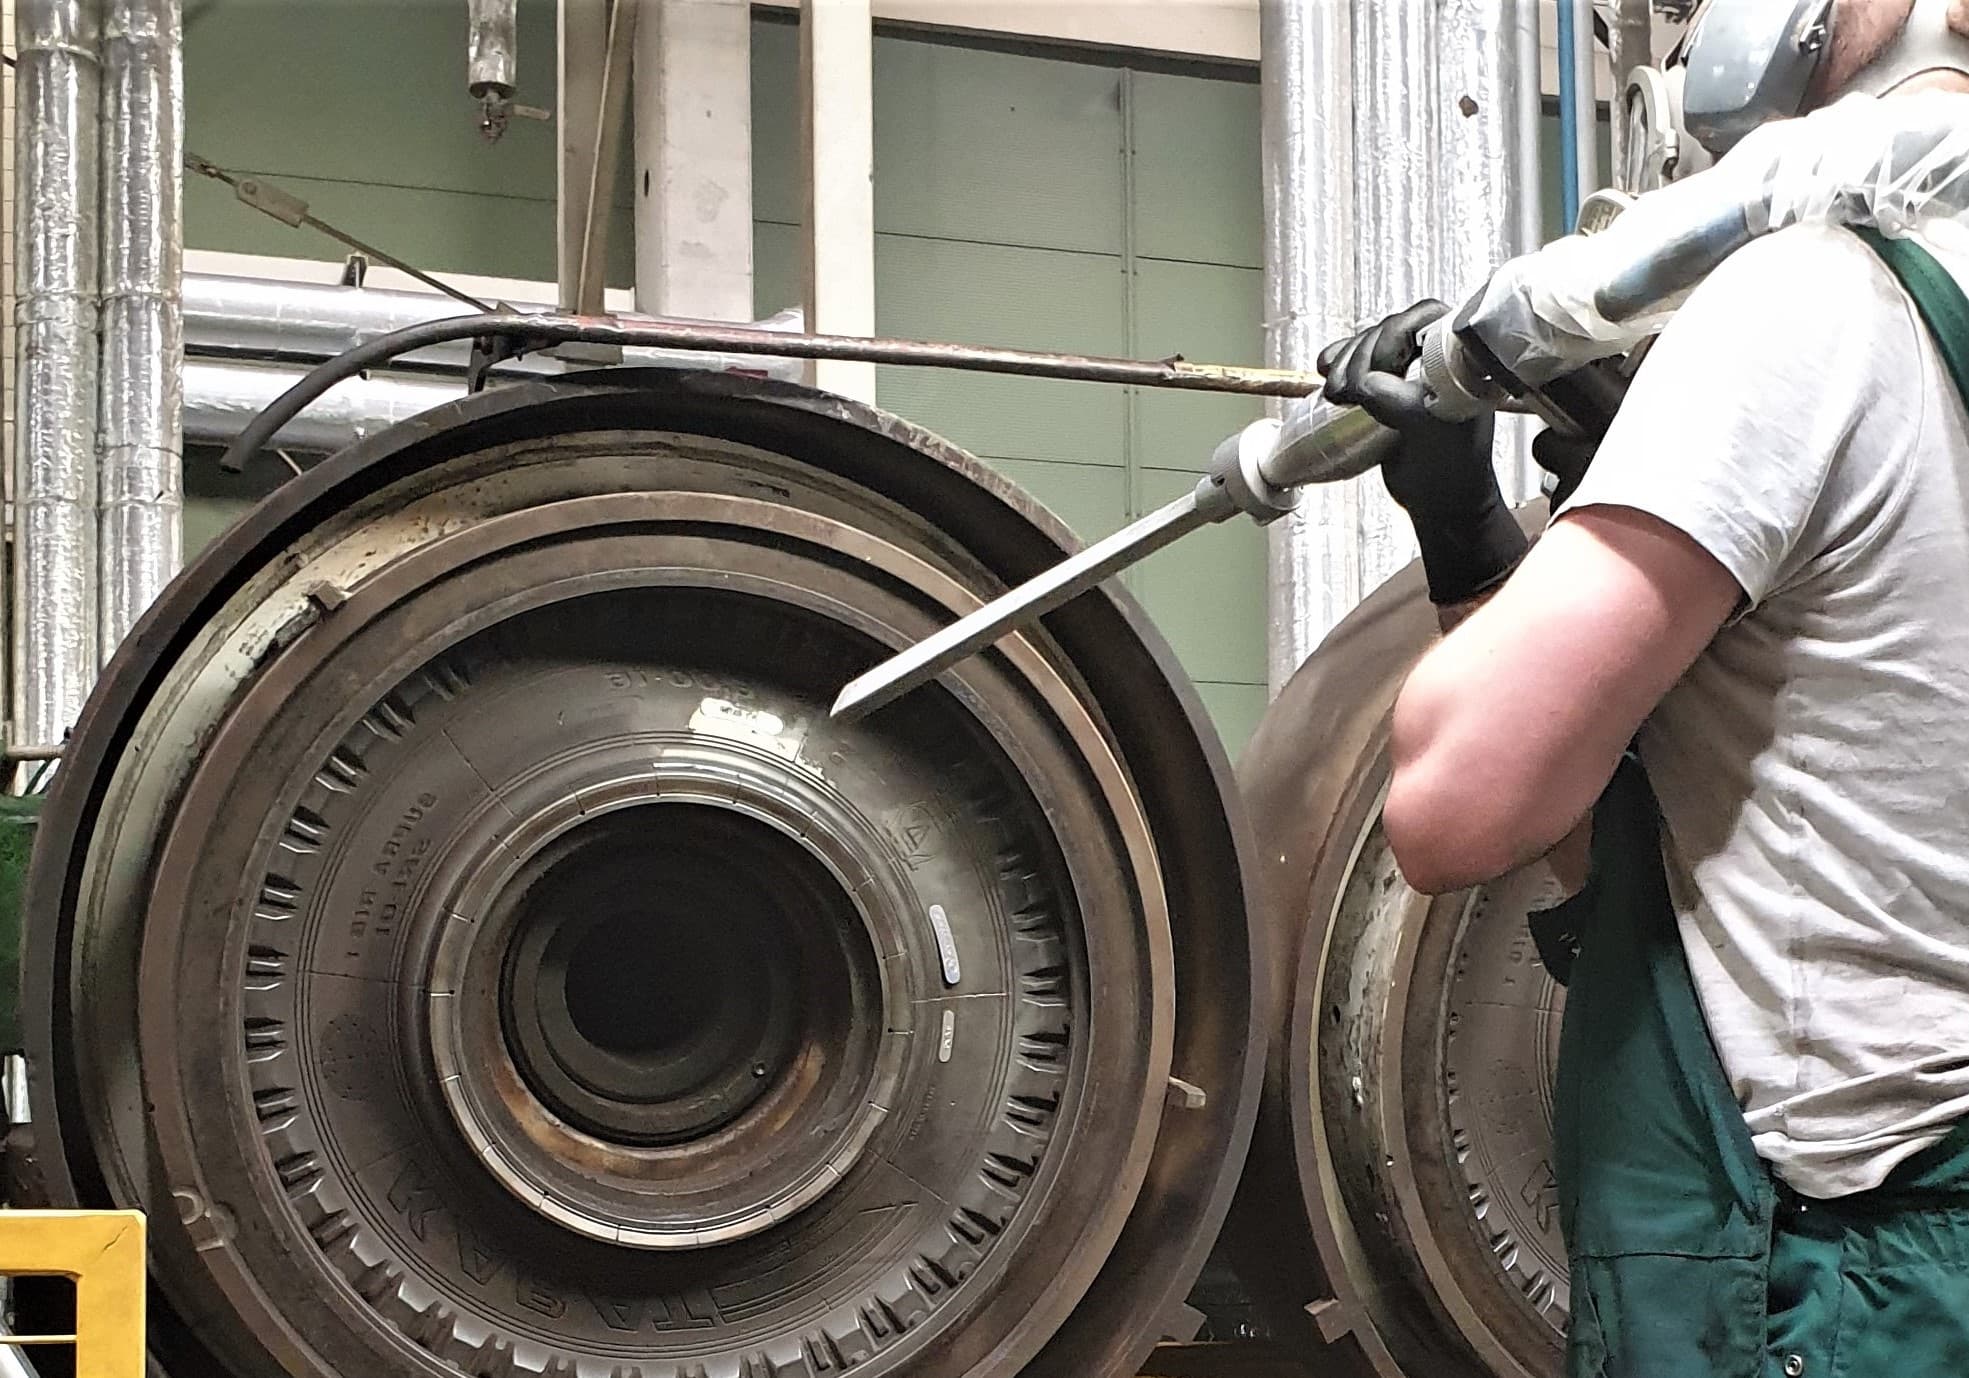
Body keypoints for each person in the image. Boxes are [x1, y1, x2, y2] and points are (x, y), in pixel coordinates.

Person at [1319, 1, 1969, 1374]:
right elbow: (1641, 815)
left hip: (1846, 1284)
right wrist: (1479, 539)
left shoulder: (1810, 300)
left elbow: (1453, 805)